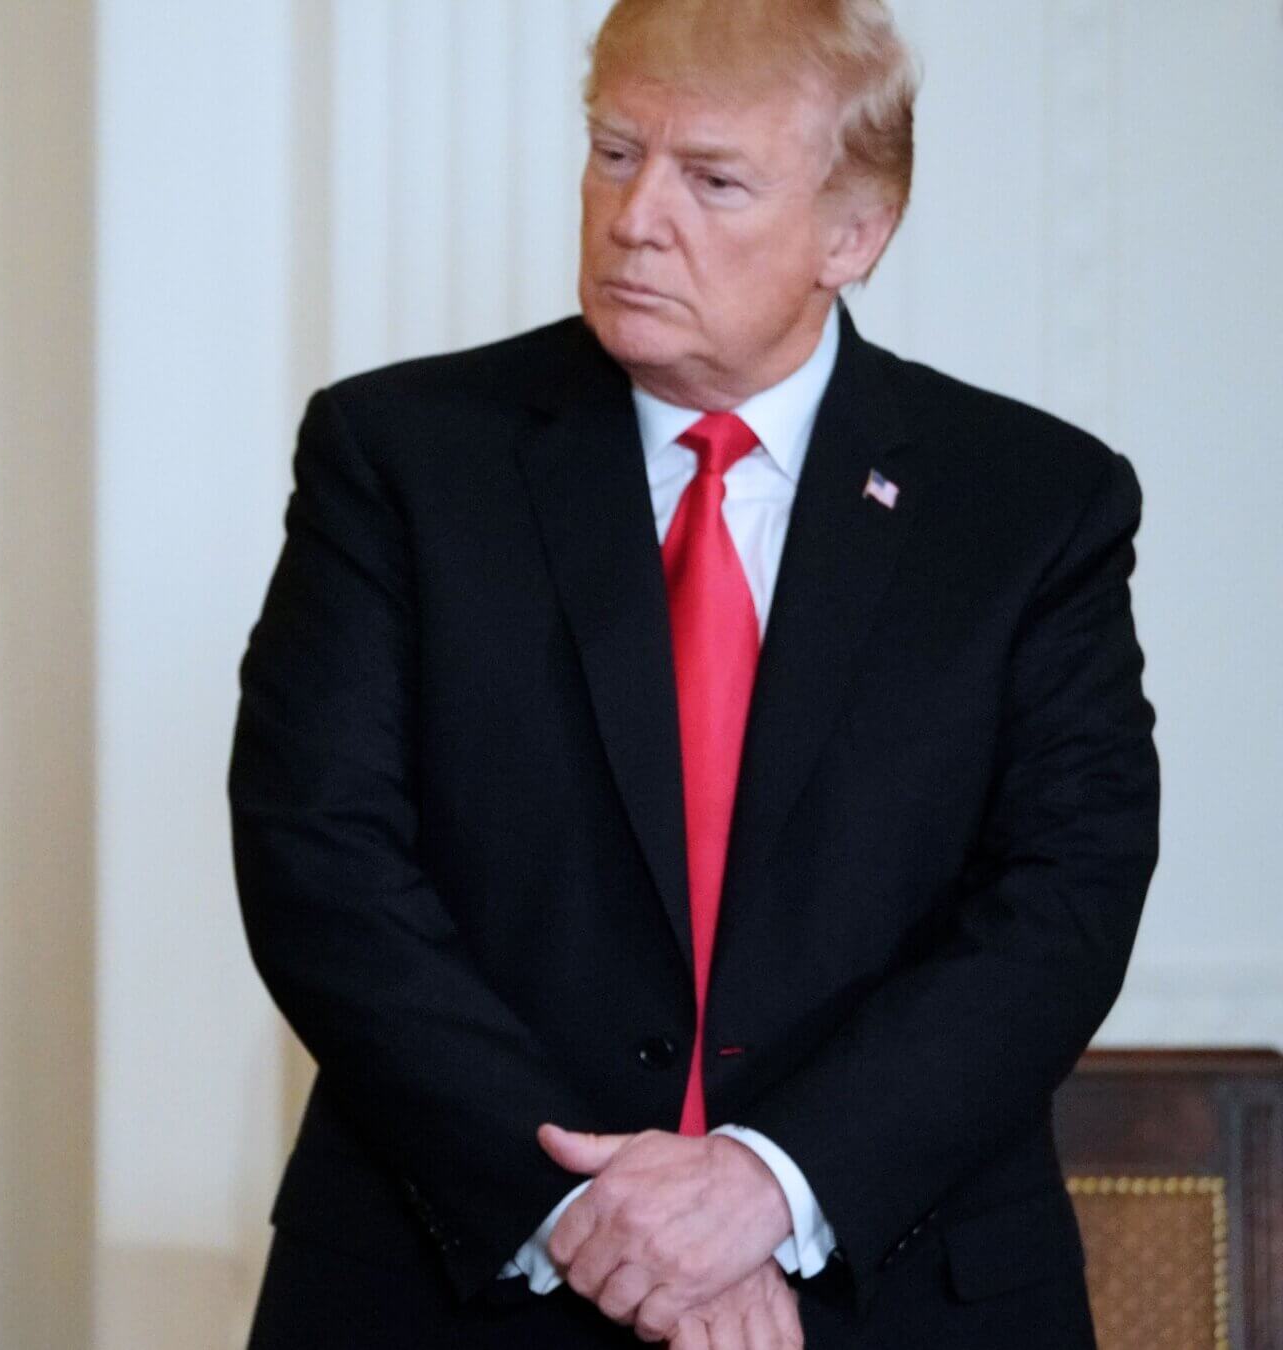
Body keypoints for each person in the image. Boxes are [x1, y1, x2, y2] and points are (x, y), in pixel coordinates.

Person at [230, 2, 1157, 1346]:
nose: (634, 216)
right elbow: (321, 861)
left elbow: (1065, 895)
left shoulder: (1030, 505)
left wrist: (768, 1183)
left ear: (856, 233)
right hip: (464, 1270)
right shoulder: (399, 460)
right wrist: (590, 1213)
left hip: (895, 1288)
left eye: (711, 179)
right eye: (615, 152)